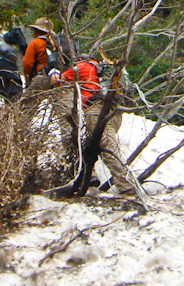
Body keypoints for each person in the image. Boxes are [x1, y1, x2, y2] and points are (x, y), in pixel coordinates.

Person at [53, 57, 137, 196]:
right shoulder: (106, 70)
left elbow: (57, 80)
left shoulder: (83, 66)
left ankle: (126, 187)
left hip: (96, 110)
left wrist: (52, 73)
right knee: (94, 146)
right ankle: (90, 177)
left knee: (108, 147)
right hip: (116, 113)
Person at [23, 17, 55, 83]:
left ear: (37, 31)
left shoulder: (35, 43)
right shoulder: (57, 42)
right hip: (57, 77)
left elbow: (27, 63)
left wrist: (27, 78)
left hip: (41, 77)